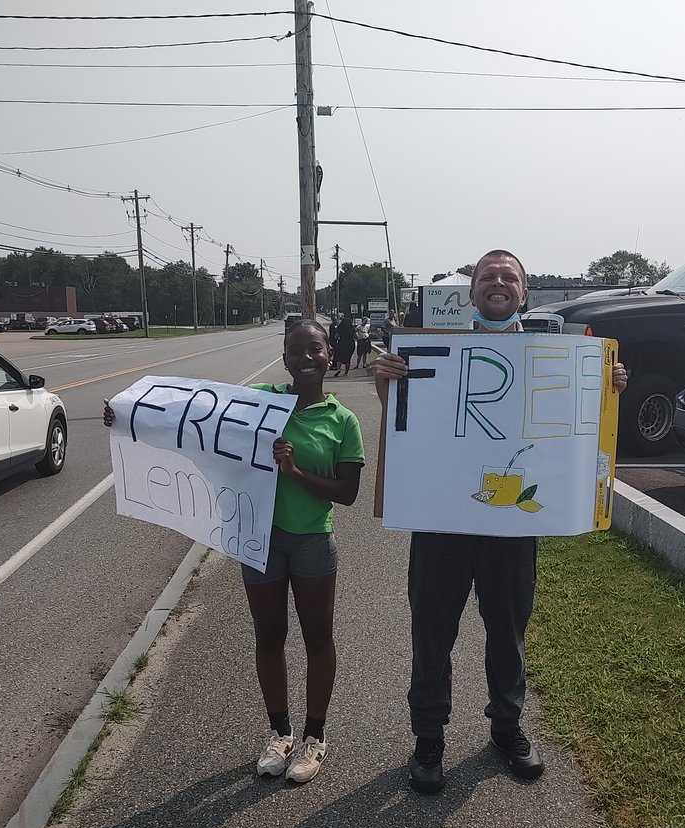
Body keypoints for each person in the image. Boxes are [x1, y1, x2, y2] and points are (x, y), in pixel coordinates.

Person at [373, 249, 628, 794]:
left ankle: (507, 728)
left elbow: (580, 427)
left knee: (508, 634)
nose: (497, 283)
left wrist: (607, 388)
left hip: (510, 529)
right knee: (432, 634)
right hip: (441, 524)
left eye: (508, 276)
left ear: (524, 292)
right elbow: (405, 421)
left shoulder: (555, 357)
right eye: (487, 276)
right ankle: (428, 740)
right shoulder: (436, 356)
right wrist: (387, 380)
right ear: (470, 294)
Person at [104, 320, 364, 784]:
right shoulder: (261, 402)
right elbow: (189, 416)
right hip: (256, 538)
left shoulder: (342, 421)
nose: (305, 357)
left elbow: (347, 493)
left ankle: (315, 737)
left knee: (318, 637)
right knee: (269, 636)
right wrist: (129, 416)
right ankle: (280, 732)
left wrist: (295, 471)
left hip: (310, 541)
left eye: (315, 349)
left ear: (330, 355)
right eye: (295, 350)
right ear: (284, 358)